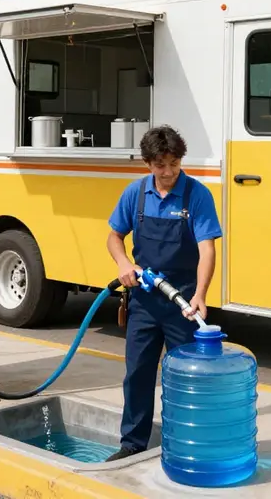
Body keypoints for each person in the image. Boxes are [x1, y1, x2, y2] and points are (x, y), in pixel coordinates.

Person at [104, 124, 222, 461]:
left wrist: (200, 294)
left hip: (183, 300)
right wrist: (123, 262)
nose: (168, 172)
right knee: (138, 373)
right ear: (147, 163)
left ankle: (187, 443)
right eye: (160, 165)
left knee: (184, 376)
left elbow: (207, 248)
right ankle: (132, 443)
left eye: (174, 163)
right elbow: (114, 236)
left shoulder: (196, 195)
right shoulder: (136, 194)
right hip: (144, 299)